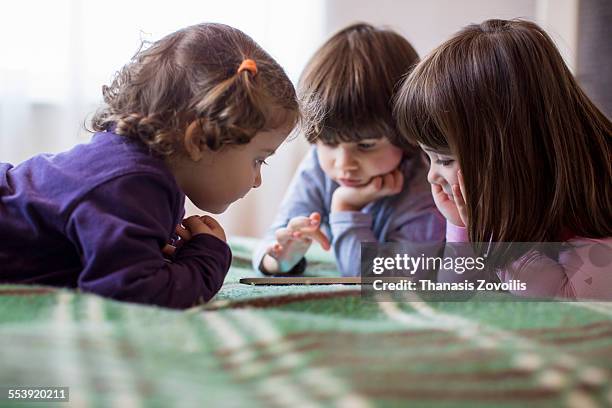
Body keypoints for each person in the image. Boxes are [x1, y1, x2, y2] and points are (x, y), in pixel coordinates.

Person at [0, 23, 299, 308]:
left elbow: (117, 259)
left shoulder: (134, 168)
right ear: (198, 140)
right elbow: (134, 292)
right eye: (258, 160)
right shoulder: (131, 185)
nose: (257, 180)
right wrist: (208, 256)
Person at [394, 19, 612, 300]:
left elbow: (567, 298)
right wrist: (463, 225)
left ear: (507, 155)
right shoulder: (517, 193)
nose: (431, 177)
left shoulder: (595, 190)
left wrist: (491, 235)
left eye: (445, 160)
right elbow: (455, 288)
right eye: (430, 158)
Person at [254, 23, 445, 277]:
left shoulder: (425, 188)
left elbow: (376, 278)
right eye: (330, 143)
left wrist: (346, 208)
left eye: (365, 146)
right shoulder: (317, 167)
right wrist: (279, 259)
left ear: (406, 134)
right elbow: (273, 240)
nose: (344, 164)